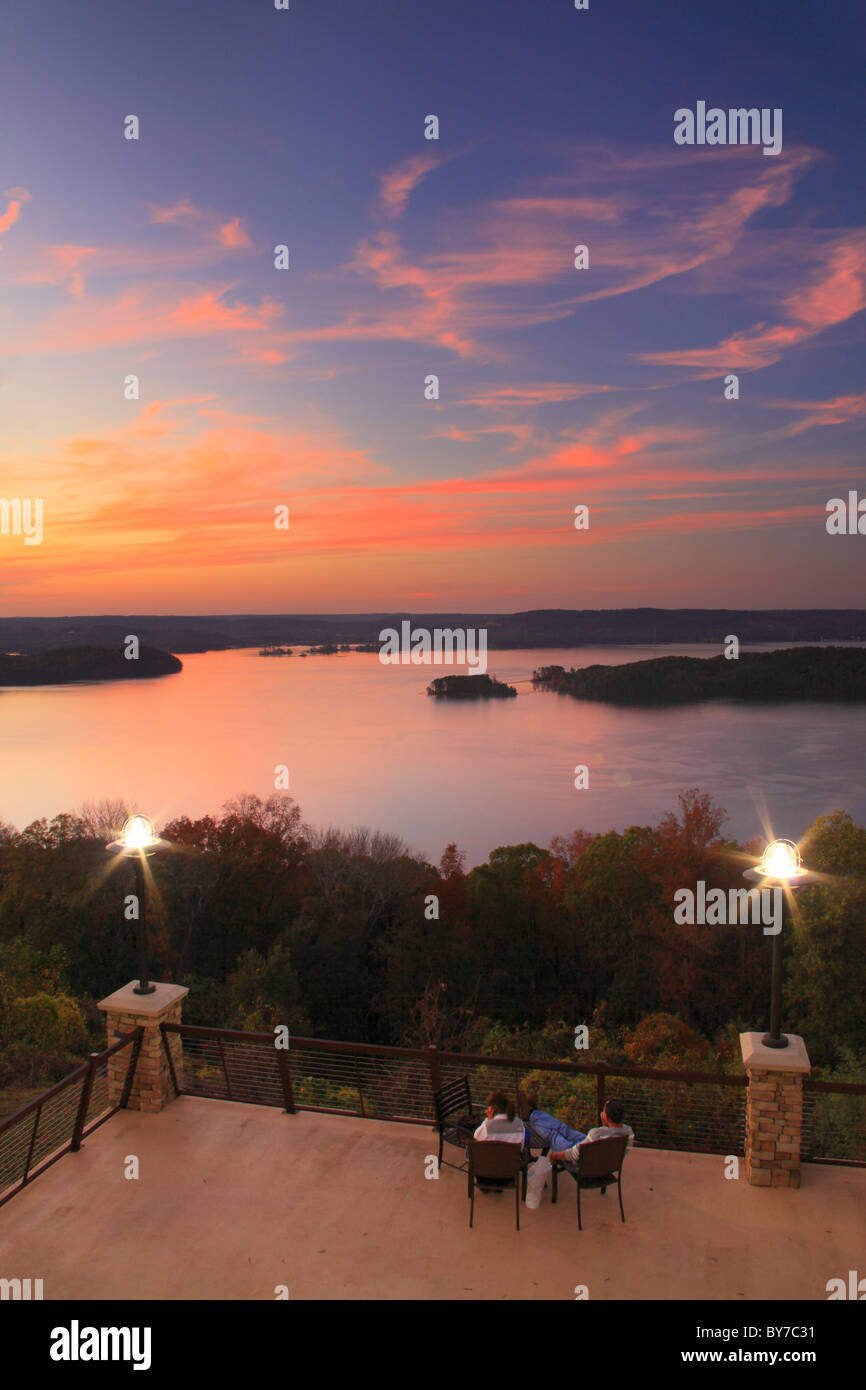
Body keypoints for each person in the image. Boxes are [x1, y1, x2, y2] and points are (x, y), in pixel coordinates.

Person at [549, 1099, 635, 1164]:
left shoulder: (596, 1134)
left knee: (554, 1135)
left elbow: (573, 1155)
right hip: (607, 1165)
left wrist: (554, 1156)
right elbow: (608, 1136)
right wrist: (605, 1125)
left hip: (585, 1167)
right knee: (568, 1132)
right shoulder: (629, 1133)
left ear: (605, 1116)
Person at [520, 1089, 587, 1152]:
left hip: (571, 1152)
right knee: (560, 1129)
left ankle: (531, 1113)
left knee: (554, 1134)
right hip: (580, 1151)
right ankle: (532, 1112)